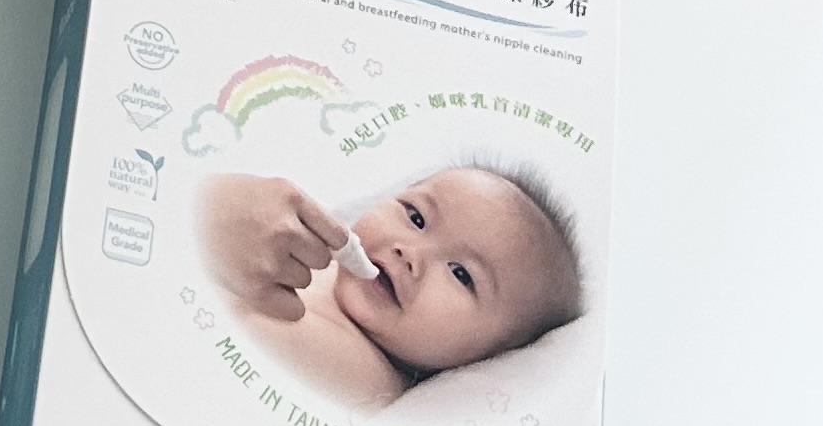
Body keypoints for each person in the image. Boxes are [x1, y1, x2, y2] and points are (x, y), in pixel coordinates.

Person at [198, 164, 585, 411]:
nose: (409, 252)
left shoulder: (363, 374)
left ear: (488, 357)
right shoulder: (328, 263)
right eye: (416, 217)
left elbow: (225, 330)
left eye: (461, 274)